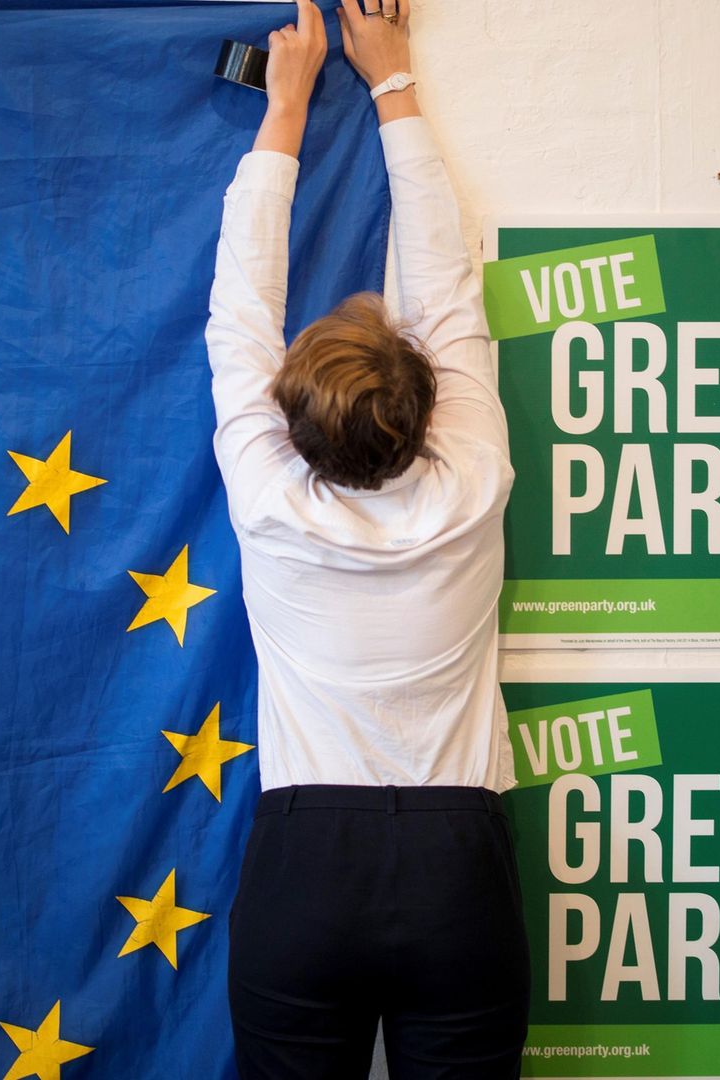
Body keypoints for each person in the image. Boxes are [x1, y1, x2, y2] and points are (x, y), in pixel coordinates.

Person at [204, 0, 527, 1075]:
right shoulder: (472, 476)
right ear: (428, 406)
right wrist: (392, 79)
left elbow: (239, 309)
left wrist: (285, 103)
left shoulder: (266, 497)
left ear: (290, 423)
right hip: (458, 876)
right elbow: (445, 284)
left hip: (306, 871)